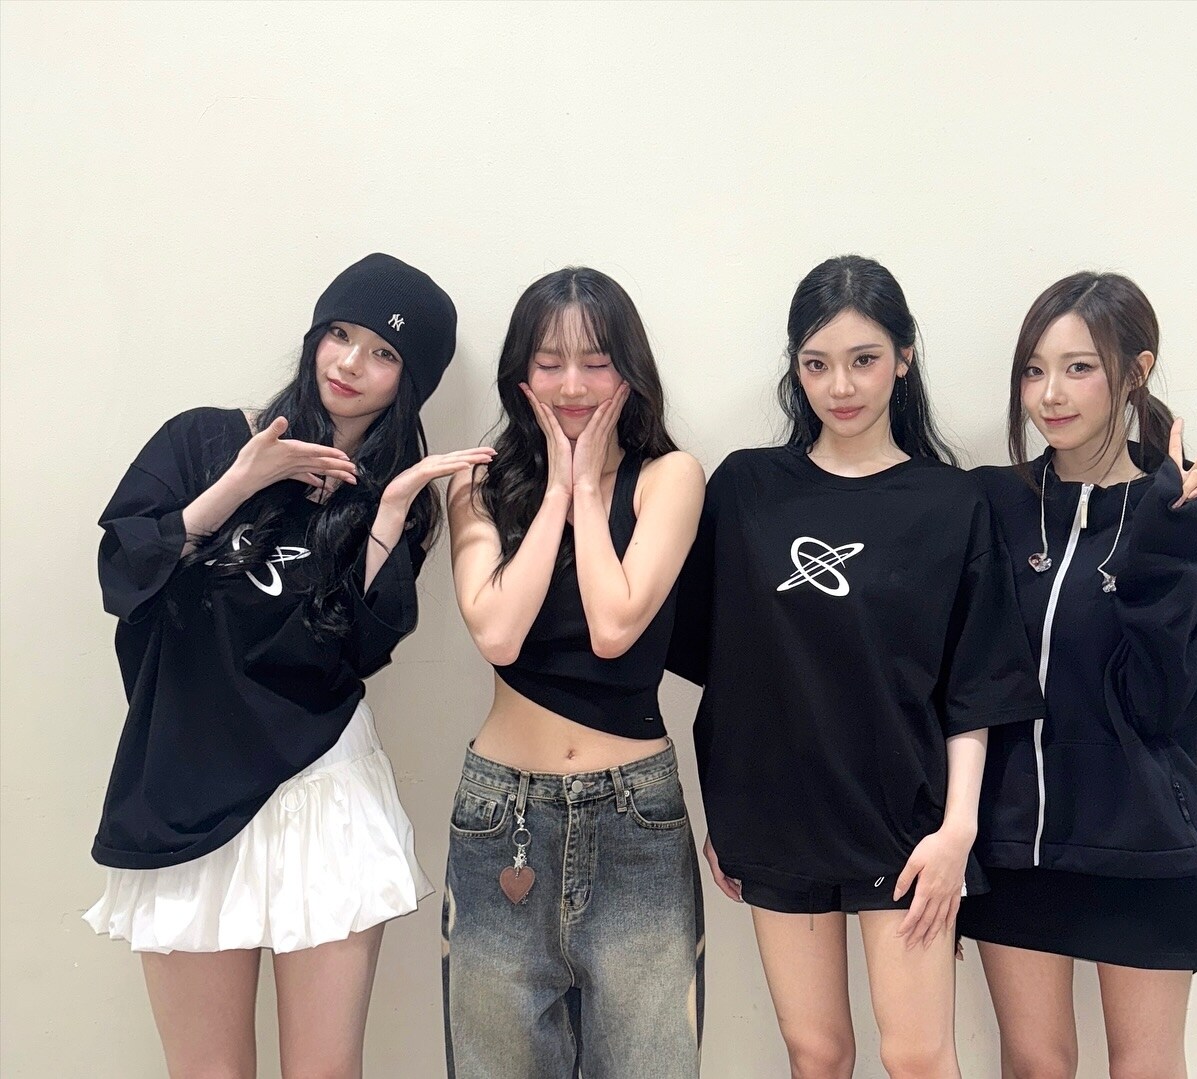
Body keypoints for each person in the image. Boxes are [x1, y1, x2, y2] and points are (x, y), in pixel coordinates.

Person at [84, 253, 488, 1078]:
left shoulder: (393, 500)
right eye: (339, 334)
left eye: (383, 352)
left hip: (320, 788)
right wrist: (239, 484)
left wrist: (390, 513)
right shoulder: (204, 439)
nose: (350, 363)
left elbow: (355, 653)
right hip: (185, 787)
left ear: (408, 381)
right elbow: (122, 578)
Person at [668, 255, 1043, 1079]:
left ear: (904, 358)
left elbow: (975, 684)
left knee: (917, 1054)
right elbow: (728, 669)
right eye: (816, 363)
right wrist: (726, 809)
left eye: (863, 359)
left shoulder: (951, 502)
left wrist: (958, 830)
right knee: (817, 1051)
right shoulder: (746, 488)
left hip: (906, 825)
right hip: (776, 820)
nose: (840, 385)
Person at [958, 271, 1197, 1079]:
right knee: (1035, 1064)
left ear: (1135, 371)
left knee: (1145, 1066)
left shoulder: (1183, 509)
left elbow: (1169, 699)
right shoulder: (993, 503)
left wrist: (1166, 545)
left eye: (1079, 367)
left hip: (1141, 838)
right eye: (1033, 370)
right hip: (1015, 841)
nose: (1049, 394)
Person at [444, 266, 706, 1079]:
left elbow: (614, 624)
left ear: (631, 368)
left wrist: (589, 490)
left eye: (595, 361)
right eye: (549, 361)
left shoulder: (670, 477)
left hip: (636, 820)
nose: (571, 385)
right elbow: (497, 631)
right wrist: (556, 489)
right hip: (501, 817)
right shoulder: (479, 483)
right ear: (519, 371)